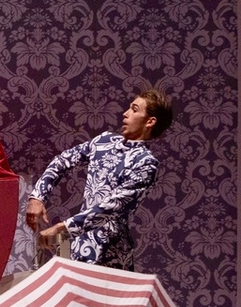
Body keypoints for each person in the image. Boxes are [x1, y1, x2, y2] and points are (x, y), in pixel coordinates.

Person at [25, 90, 172, 270]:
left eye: (134, 110)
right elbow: (62, 161)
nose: (125, 113)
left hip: (112, 254)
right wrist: (37, 197)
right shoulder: (104, 141)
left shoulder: (146, 163)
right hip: (79, 248)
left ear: (150, 121)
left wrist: (63, 227)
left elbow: (114, 205)